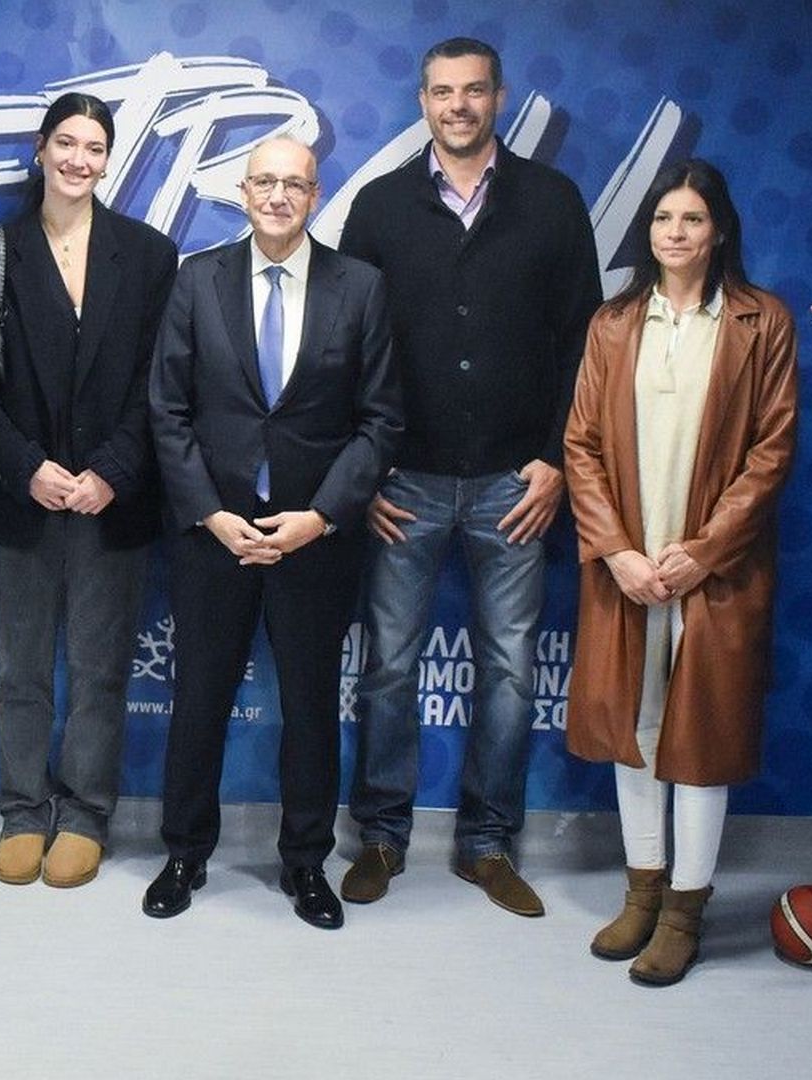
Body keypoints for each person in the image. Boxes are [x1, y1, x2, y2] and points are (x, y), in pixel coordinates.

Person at [339, 37, 602, 916]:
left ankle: (488, 845)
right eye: (443, 92)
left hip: (514, 485)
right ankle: (381, 836)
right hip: (403, 481)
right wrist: (365, 469)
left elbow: (586, 344)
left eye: (474, 90)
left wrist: (556, 459)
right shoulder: (379, 206)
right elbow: (348, 345)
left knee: (511, 674)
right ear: (423, 101)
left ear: (500, 97)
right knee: (387, 668)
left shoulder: (553, 201)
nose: (459, 105)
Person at [144, 136, 401, 927]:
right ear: (243, 192)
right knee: (198, 700)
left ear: (316, 195)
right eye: (265, 182)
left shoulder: (361, 287)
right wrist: (211, 513)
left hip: (313, 537)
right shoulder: (197, 279)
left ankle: (306, 863)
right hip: (212, 533)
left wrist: (319, 517)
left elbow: (381, 421)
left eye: (295, 183)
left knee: (311, 707)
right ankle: (184, 853)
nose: (279, 196)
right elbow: (167, 409)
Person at [563, 159, 797, 985]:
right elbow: (582, 446)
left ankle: (685, 911)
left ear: (719, 230)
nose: (675, 232)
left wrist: (704, 551)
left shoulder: (761, 322)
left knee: (699, 738)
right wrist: (618, 551)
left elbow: (772, 451)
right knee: (636, 729)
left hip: (714, 569)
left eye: (692, 218)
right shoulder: (614, 322)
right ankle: (643, 891)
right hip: (630, 565)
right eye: (663, 218)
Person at [0, 93, 178, 888]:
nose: (79, 159)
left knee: (101, 671)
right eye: (66, 143)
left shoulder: (148, 256)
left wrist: (113, 472)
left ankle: (84, 814)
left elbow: (161, 381)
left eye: (94, 147)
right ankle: (21, 809)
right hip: (20, 501)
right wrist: (26, 468)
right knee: (19, 670)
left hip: (112, 503)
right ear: (41, 150)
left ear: (109, 160)